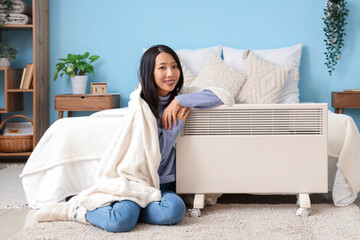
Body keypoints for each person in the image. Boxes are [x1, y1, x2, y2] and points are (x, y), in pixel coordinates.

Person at [37, 44, 223, 232]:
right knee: (120, 222)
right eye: (162, 67)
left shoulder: (183, 97)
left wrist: (181, 100)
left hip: (164, 185)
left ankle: (134, 211)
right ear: (149, 72)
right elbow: (152, 157)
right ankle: (75, 210)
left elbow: (222, 95)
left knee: (174, 210)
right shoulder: (139, 107)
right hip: (136, 182)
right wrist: (171, 131)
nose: (170, 73)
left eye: (174, 66)